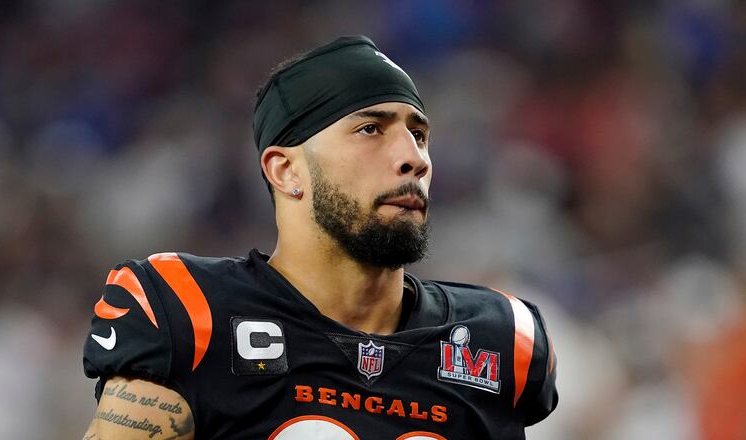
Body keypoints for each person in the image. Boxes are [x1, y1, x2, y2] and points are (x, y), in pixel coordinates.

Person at [82, 35, 558, 440]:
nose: (414, 158)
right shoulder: (186, 313)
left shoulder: (500, 340)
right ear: (286, 170)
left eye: (419, 134)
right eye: (371, 129)